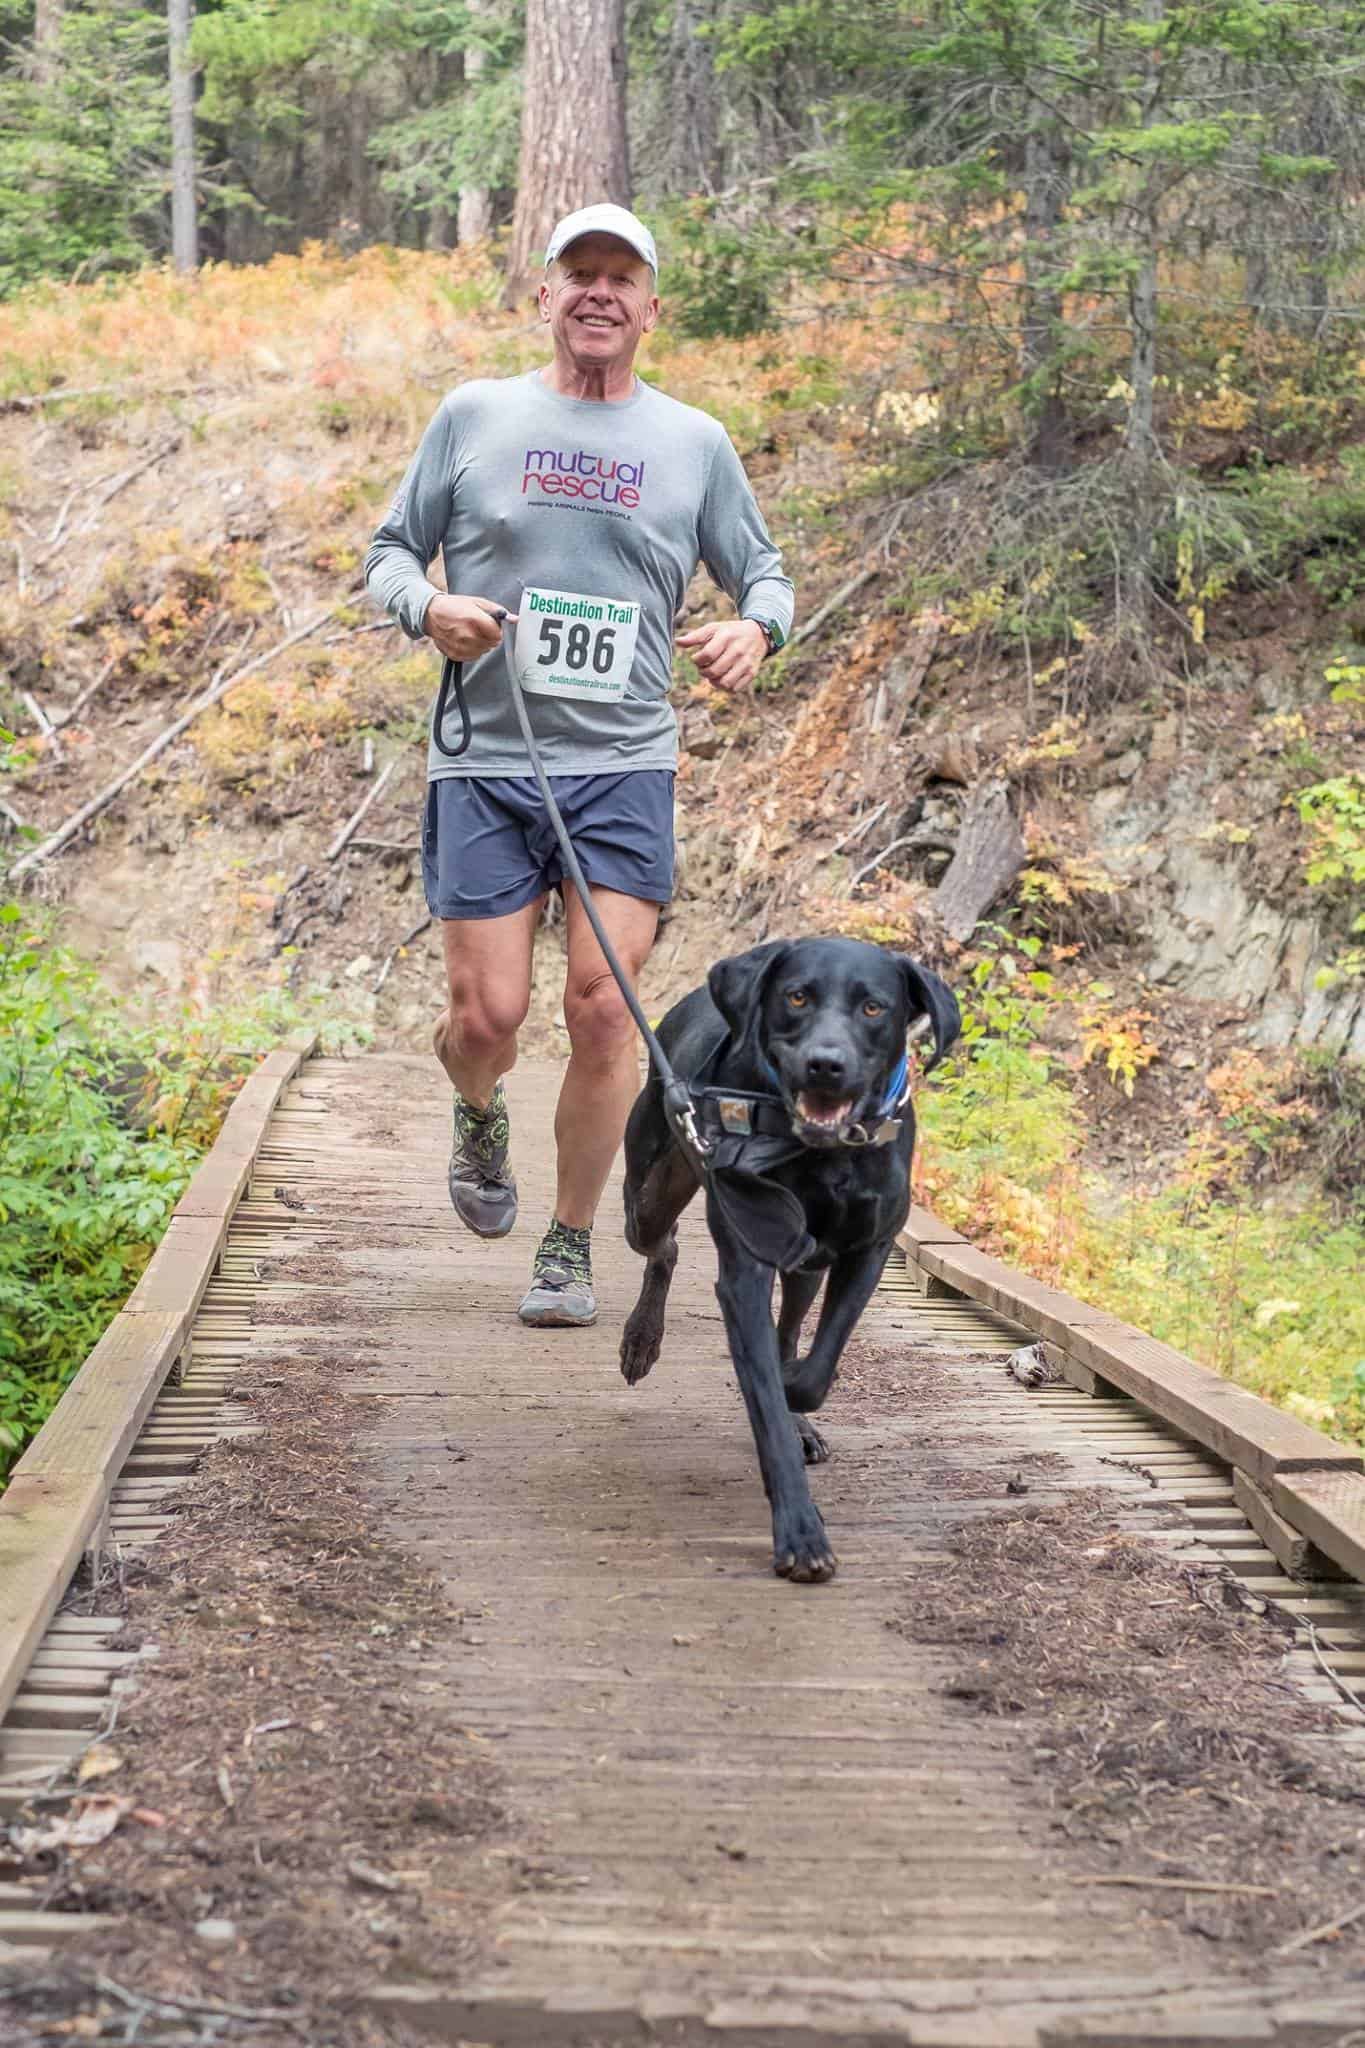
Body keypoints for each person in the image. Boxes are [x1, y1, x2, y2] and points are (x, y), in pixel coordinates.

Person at [364, 201, 794, 1329]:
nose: (599, 292)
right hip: (486, 761)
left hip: (621, 763)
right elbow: (388, 554)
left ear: (651, 309)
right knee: (489, 1014)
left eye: (622, 278)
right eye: (579, 274)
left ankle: (565, 1242)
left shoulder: (693, 441)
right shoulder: (475, 416)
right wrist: (429, 606)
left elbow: (768, 577)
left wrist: (758, 630)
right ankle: (477, 1105)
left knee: (605, 1009)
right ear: (544, 297)